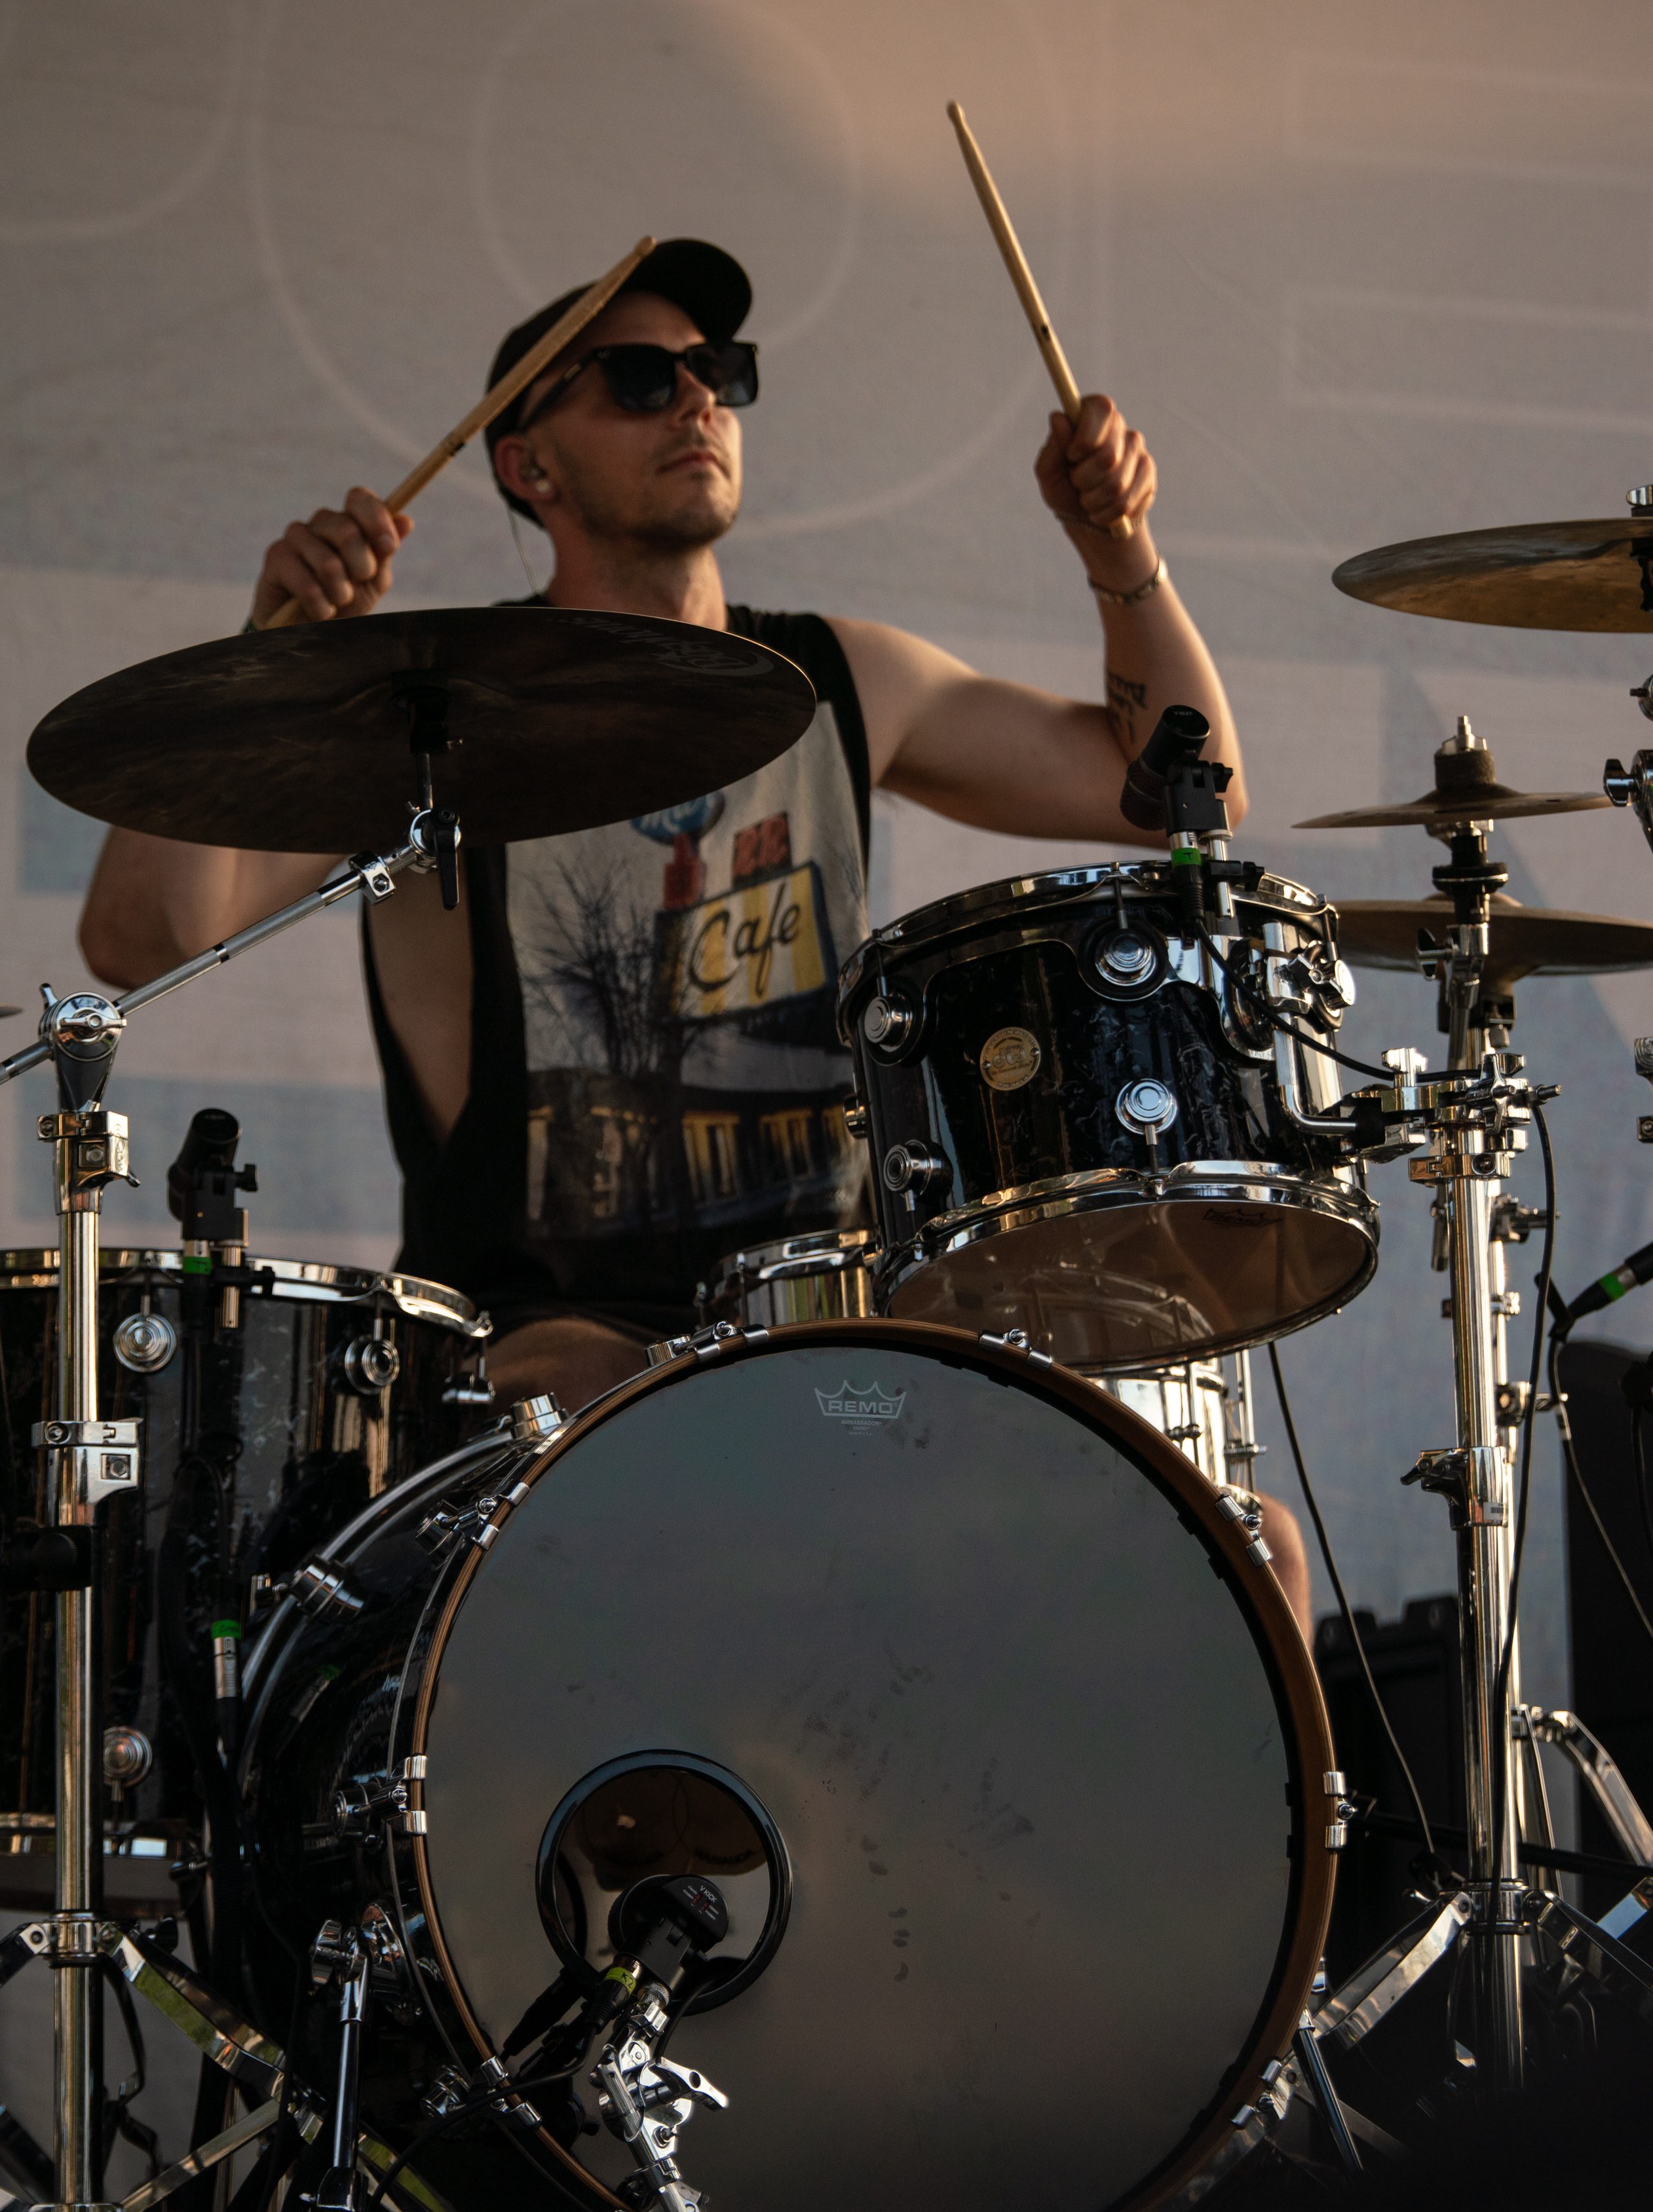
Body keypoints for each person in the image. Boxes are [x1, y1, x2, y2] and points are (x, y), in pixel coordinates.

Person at [78, 238, 1313, 1638]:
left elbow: (1180, 795)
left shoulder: (845, 680)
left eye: (718, 375)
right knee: (642, 1435)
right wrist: (272, 658)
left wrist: (1119, 553)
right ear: (525, 466)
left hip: (840, 1333)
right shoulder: (434, 714)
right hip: (557, 1356)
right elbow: (143, 935)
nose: (698, 405)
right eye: (640, 380)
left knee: (1236, 1541)